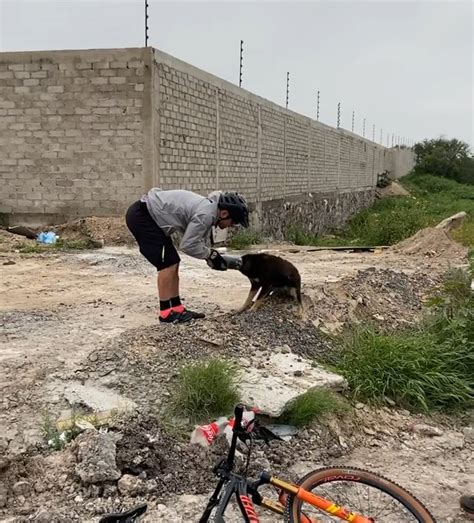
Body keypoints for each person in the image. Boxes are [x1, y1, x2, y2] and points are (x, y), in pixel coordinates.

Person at [125, 188, 249, 324]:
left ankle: (178, 309)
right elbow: (188, 245)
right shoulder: (206, 214)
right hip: (143, 217)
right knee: (166, 264)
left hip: (149, 215)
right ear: (224, 213)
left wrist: (210, 255)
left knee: (174, 261)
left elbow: (194, 240)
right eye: (232, 222)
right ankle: (166, 314)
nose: (230, 226)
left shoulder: (208, 209)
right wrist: (210, 255)